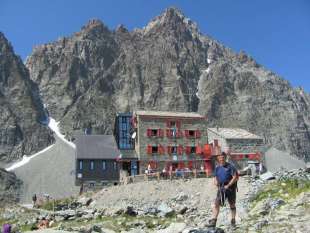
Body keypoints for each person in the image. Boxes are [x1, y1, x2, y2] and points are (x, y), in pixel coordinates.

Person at [208, 152, 238, 227]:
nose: (221, 159)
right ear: (218, 158)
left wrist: (228, 185)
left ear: (225, 158)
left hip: (230, 188)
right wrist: (215, 182)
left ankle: (233, 220)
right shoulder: (217, 168)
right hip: (221, 188)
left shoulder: (230, 166)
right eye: (220, 157)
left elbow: (235, 177)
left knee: (232, 204)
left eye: (223, 157)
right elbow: (215, 177)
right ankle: (214, 221)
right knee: (216, 203)